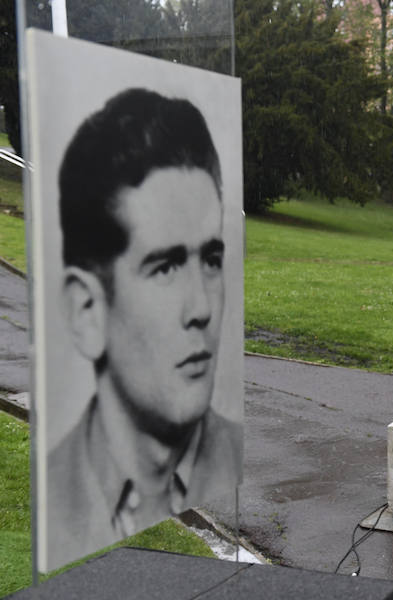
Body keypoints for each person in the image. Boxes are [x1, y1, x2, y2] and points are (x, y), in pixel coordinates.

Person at [47, 88, 241, 567]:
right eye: (166, 267)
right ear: (87, 310)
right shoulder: (55, 497)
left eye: (211, 260)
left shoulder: (230, 456)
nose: (201, 308)